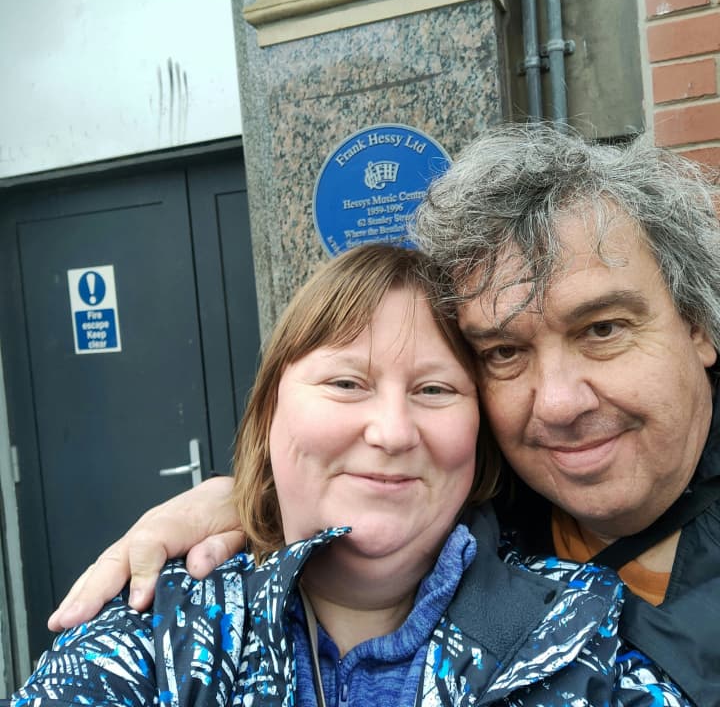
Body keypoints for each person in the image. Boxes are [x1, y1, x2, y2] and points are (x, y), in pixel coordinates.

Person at [49, 125, 720, 702]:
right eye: (504, 352)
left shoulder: (576, 643)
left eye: (603, 329)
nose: (560, 403)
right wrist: (250, 502)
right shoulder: (166, 635)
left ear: (699, 325)